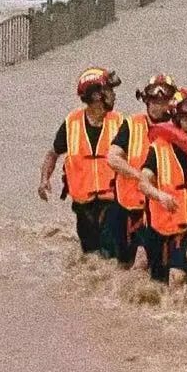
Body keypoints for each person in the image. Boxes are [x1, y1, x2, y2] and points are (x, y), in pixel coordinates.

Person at [38, 68, 124, 257]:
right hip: (83, 206)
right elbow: (53, 153)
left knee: (109, 253)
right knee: (90, 256)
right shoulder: (71, 123)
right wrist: (44, 180)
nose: (114, 95)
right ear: (95, 95)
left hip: (113, 201)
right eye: (109, 91)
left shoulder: (120, 123)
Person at [138, 91, 187, 289]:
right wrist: (159, 195)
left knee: (176, 277)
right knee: (155, 284)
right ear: (176, 119)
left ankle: (182, 316)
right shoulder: (158, 149)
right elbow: (143, 182)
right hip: (159, 231)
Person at [106, 73, 179, 269]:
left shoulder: (178, 128)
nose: (159, 105)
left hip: (160, 210)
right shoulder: (132, 125)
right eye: (155, 100)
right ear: (146, 100)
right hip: (129, 209)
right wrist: (140, 177)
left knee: (154, 267)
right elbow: (112, 157)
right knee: (124, 265)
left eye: (164, 100)